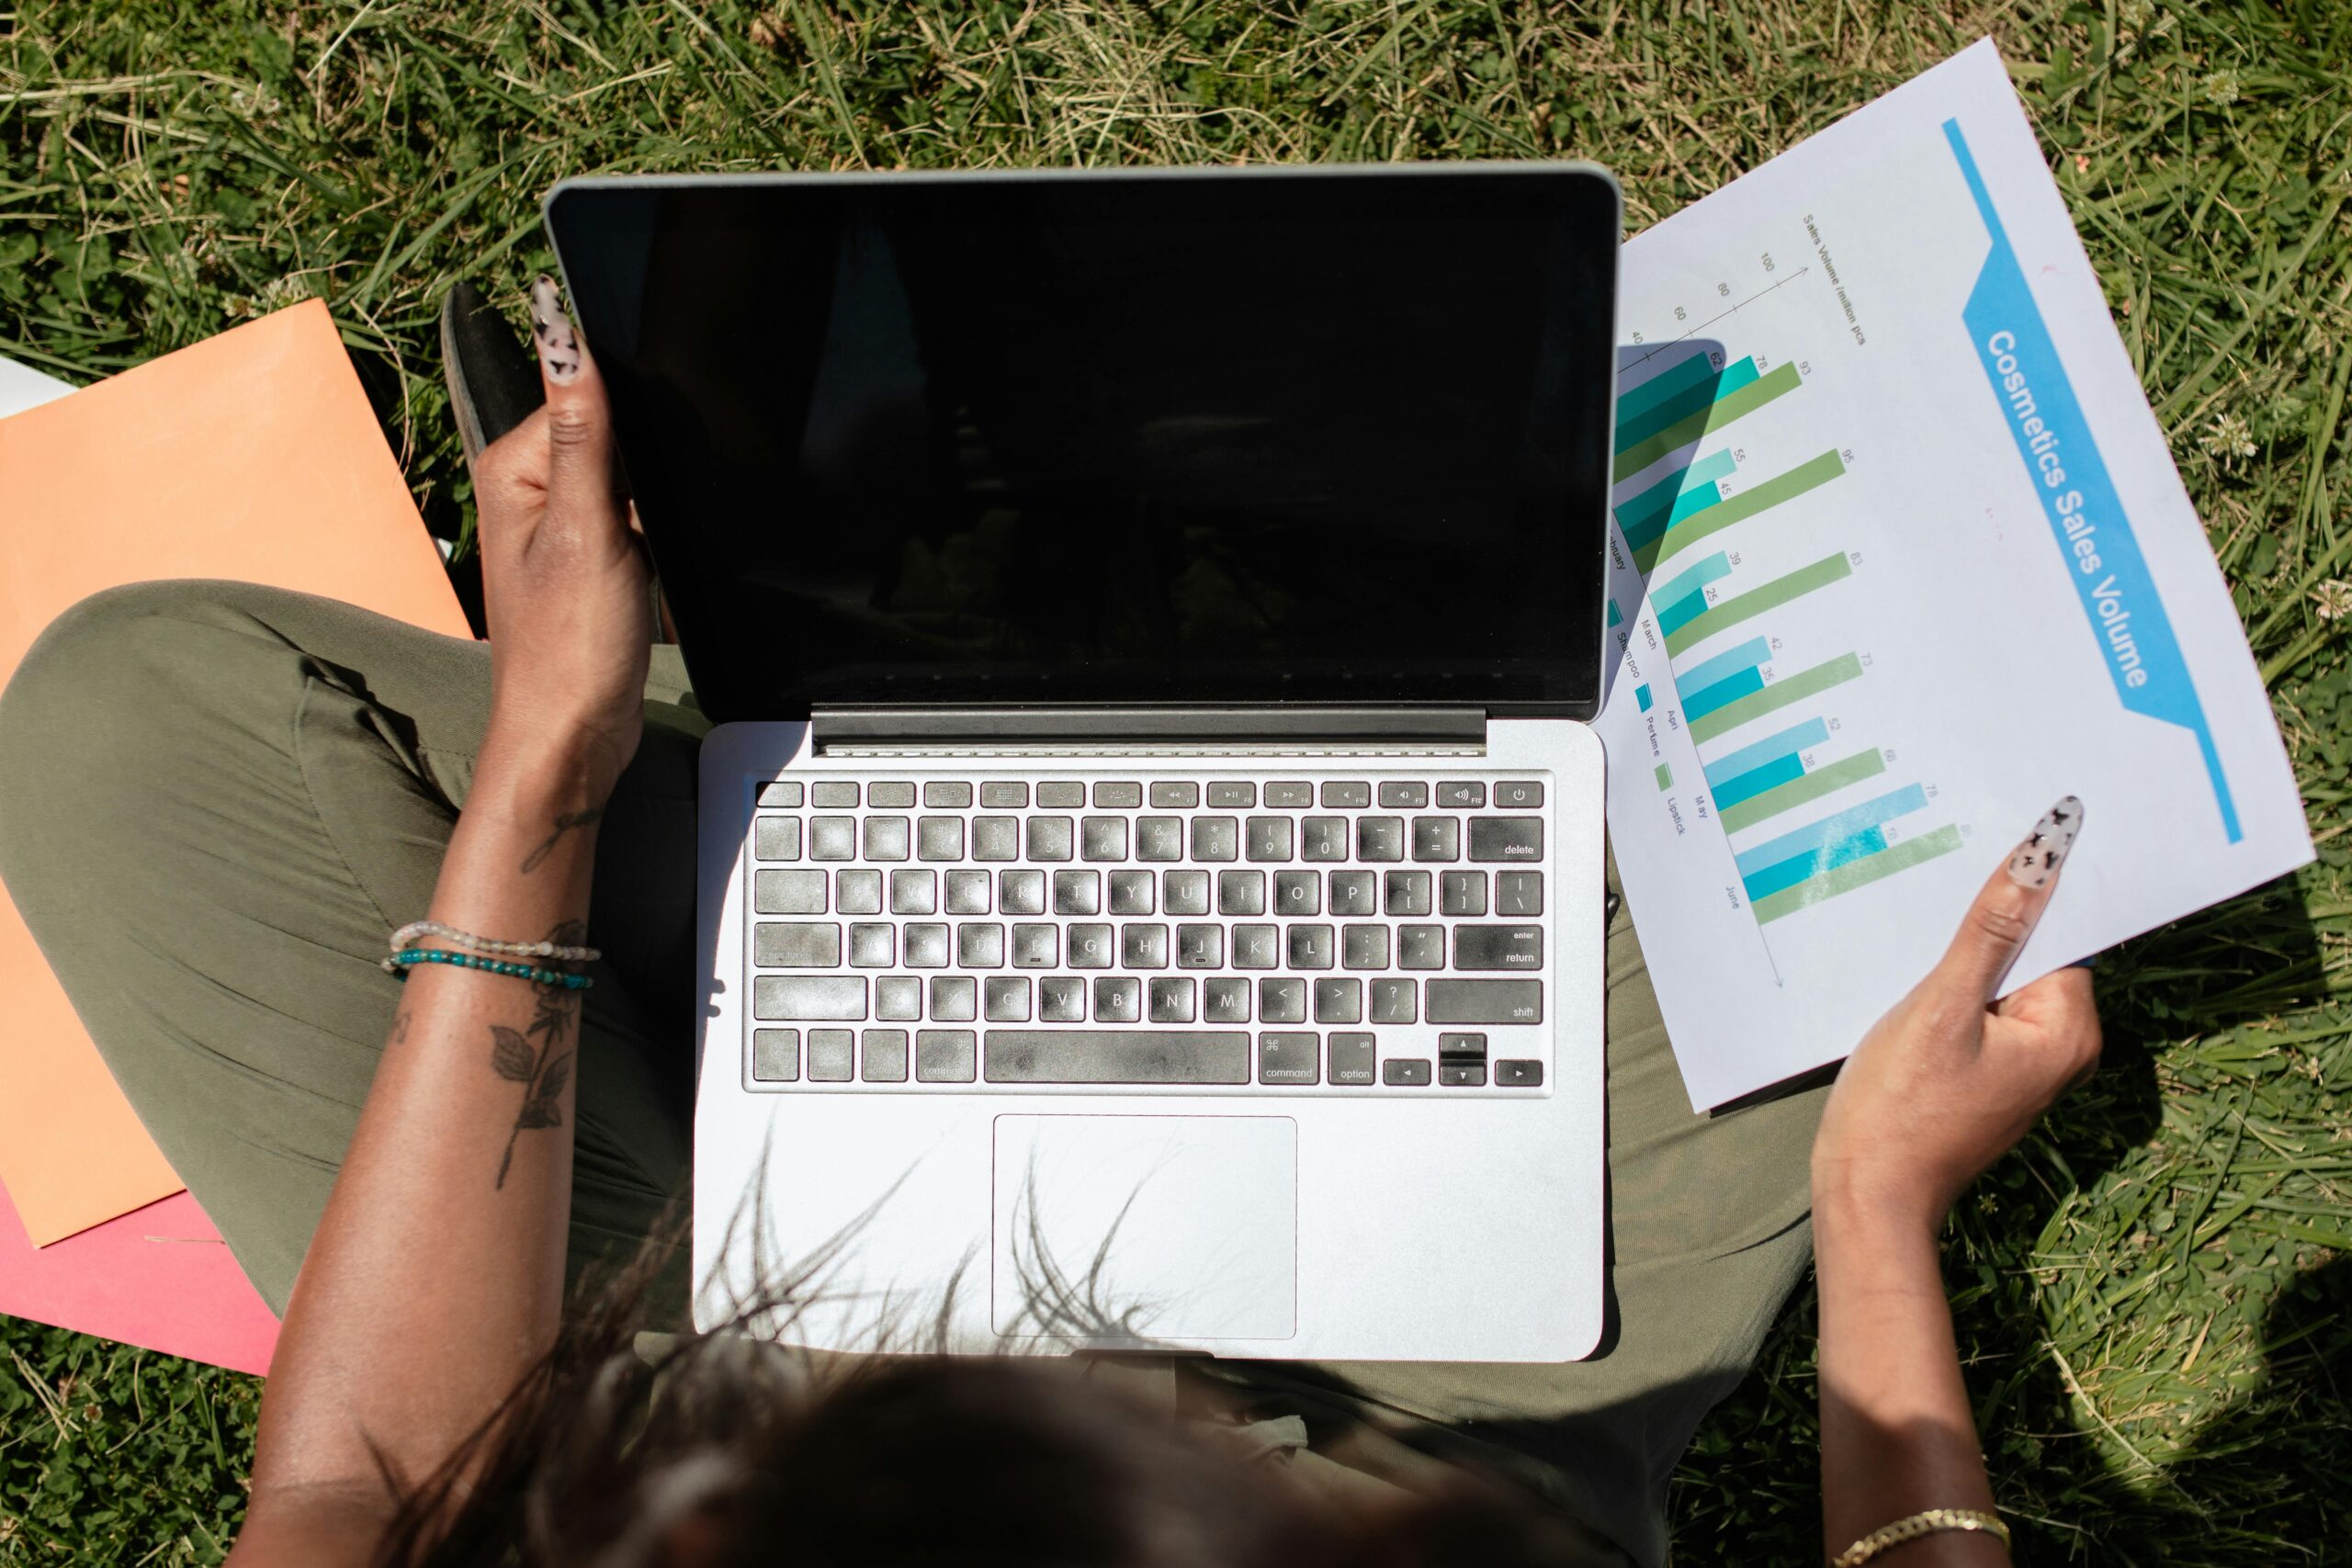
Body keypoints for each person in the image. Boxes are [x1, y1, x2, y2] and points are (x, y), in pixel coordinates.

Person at [0, 278, 2098, 1567]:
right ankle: (814, 848)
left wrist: (545, 778)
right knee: (1860, 844)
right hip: (1415, 1446)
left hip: (718, 1394)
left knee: (117, 727)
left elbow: (363, 1495)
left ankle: (792, 829)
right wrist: (1871, 1212)